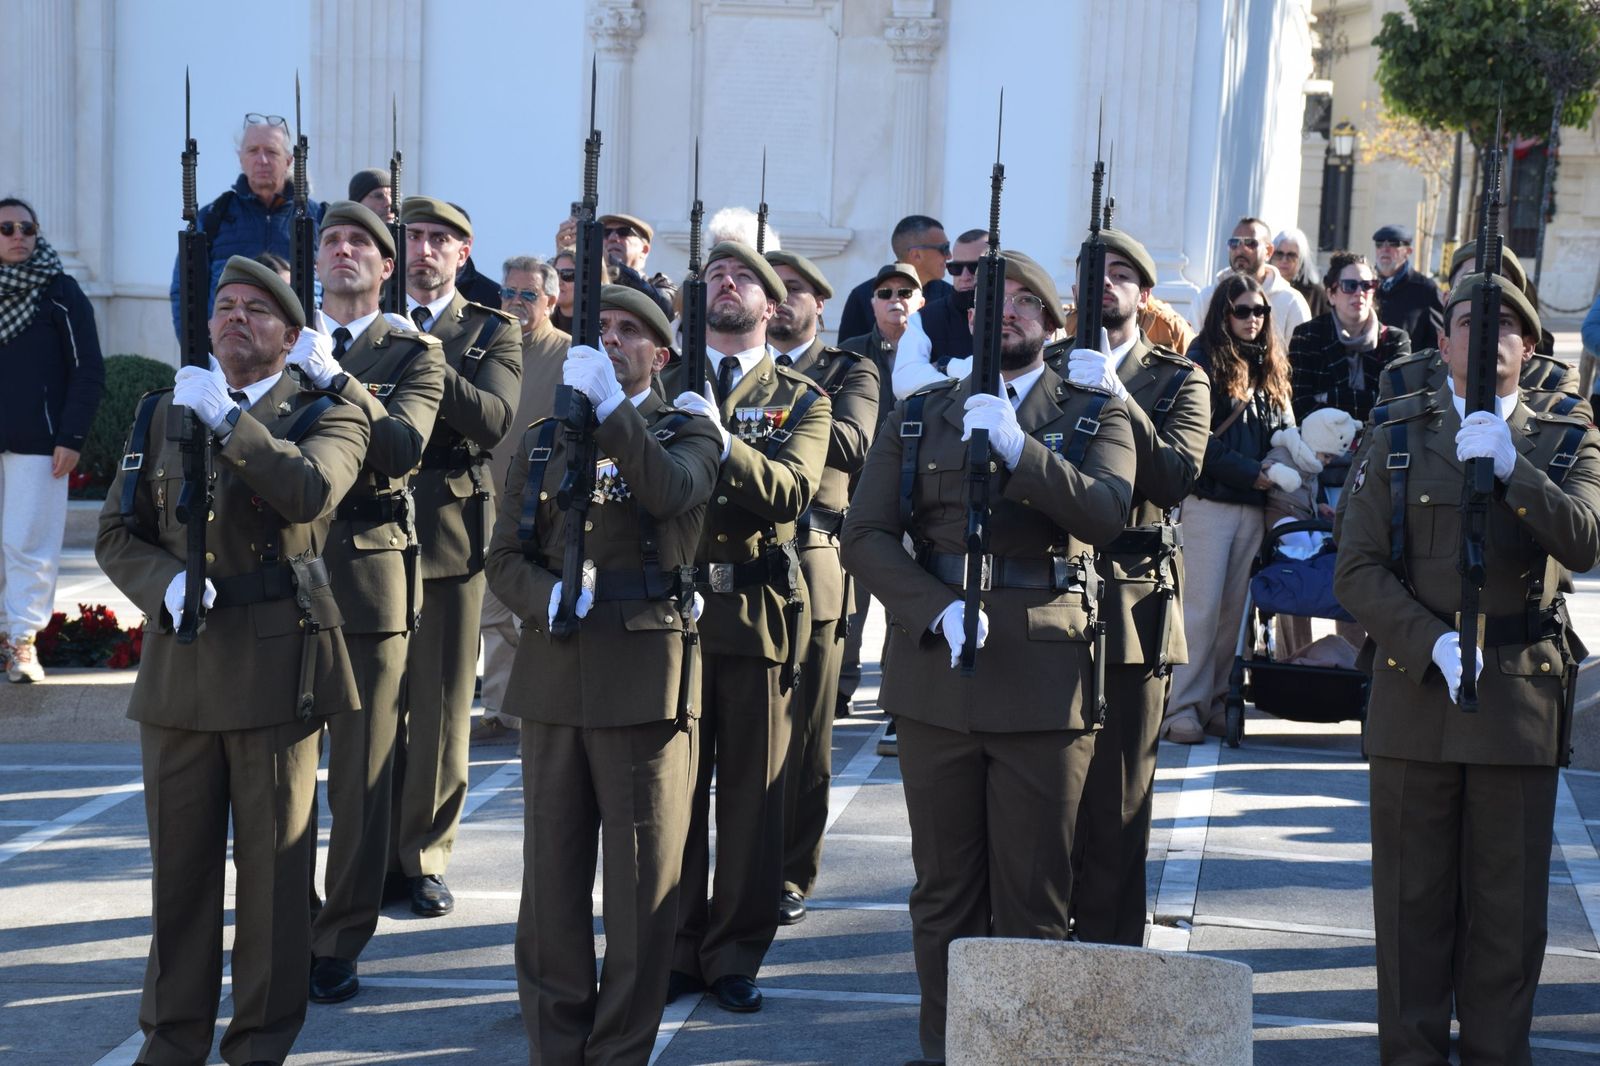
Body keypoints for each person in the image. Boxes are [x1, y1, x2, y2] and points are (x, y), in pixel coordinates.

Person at [841, 249, 1135, 1065]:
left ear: (1051, 320)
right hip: (937, 672)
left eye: (1024, 303)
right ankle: (948, 1051)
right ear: (966, 319)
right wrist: (932, 608)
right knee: (943, 892)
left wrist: (1019, 450)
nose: (1002, 313)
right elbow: (863, 534)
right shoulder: (919, 412)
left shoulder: (1092, 408)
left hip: (1044, 679)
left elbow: (1109, 513)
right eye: (987, 302)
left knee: (1034, 896)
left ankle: (1023, 1056)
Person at [96, 255, 369, 1065]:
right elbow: (119, 532)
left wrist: (229, 425)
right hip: (180, 675)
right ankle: (171, 1040)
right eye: (225, 305)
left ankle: (258, 1045)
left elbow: (311, 494)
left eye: (257, 308)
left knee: (274, 884)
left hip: (274, 669)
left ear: (291, 334)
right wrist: (164, 583)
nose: (235, 318)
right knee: (178, 882)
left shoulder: (326, 411)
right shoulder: (159, 409)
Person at [1334, 274, 1599, 1065]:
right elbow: (1356, 569)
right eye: (1465, 324)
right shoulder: (1400, 432)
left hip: (1517, 704)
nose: (1485, 338)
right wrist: (1432, 643)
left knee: (1505, 921)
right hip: (1416, 697)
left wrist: (1516, 469)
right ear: (1441, 343)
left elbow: (1585, 541)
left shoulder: (1566, 431)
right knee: (1411, 916)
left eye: (1506, 324)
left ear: (1531, 343)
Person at [485, 284, 722, 1066]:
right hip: (555, 673)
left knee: (638, 889)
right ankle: (556, 1047)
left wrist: (613, 412)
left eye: (632, 332)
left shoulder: (688, 428)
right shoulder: (549, 436)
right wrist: (544, 593)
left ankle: (620, 1050)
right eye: (604, 330)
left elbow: (670, 493)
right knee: (550, 887)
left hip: (644, 678)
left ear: (661, 352)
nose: (614, 342)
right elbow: (504, 556)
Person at [661, 241, 832, 1014]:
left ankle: (735, 951)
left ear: (774, 305)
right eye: (715, 278)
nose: (728, 287)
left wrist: (720, 441)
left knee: (752, 799)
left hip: (756, 614)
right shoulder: (660, 385)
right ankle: (675, 946)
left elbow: (792, 491)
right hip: (666, 611)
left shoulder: (801, 397)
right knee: (674, 793)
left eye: (746, 280)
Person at [291, 201, 445, 1005]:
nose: (345, 251)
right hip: (283, 571)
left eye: (362, 243)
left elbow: (402, 448)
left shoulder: (414, 351)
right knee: (275, 765)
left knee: (360, 770)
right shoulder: (282, 333)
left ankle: (339, 934)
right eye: (332, 241)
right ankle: (291, 917)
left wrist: (336, 380)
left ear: (388, 267)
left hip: (368, 570)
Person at [1053, 230, 1211, 946]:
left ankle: (1110, 955)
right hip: (1048, 600)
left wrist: (1117, 395)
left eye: (1122, 275)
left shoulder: (1180, 379)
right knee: (1043, 793)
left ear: (1146, 298)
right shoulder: (1045, 369)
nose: (1105, 286)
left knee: (1118, 799)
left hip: (1131, 602)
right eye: (1094, 275)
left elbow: (1176, 477)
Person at [393, 196, 522, 918]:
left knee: (441, 706)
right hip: (363, 529)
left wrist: (423, 360)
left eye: (441, 239)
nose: (425, 250)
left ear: (463, 253)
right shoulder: (361, 326)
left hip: (446, 527)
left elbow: (495, 418)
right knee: (371, 710)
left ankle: (424, 856)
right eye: (414, 237)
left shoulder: (488, 331)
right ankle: (369, 853)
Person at [765, 249, 880, 927]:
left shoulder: (847, 369)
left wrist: (765, 407)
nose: (780, 300)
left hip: (812, 556)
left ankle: (789, 871)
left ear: (821, 304)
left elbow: (853, 440)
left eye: (795, 289)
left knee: (805, 735)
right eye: (769, 288)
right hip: (730, 558)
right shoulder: (722, 366)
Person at [1162, 272, 1295, 743]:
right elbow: (1197, 443)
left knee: (1232, 616)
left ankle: (1218, 702)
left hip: (1253, 508)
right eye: (1243, 310)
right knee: (1197, 613)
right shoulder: (1201, 360)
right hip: (1208, 503)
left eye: (1260, 311)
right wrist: (1252, 473)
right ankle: (1182, 709)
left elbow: (1280, 434)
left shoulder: (1271, 367)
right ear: (1224, 313)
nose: (1254, 319)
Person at [0, 197, 104, 683]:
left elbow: (88, 371)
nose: (18, 236)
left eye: (27, 228)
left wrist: (72, 435)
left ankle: (21, 642)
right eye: (7, 228)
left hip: (39, 442)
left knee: (29, 545)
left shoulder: (60, 292)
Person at [474, 255, 571, 745]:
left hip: (537, 503)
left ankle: (526, 705)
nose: (513, 303)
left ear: (552, 301)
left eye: (527, 295)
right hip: (482, 498)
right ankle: (498, 709)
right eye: (508, 293)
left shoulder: (568, 355)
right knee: (491, 615)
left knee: (521, 611)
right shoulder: (488, 347)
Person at [168, 112, 325, 339]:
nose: (262, 160)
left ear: (289, 160)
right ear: (240, 158)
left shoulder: (317, 218)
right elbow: (184, 291)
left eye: (271, 151)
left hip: (301, 351)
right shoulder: (213, 218)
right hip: (230, 355)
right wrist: (200, 354)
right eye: (253, 151)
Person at [1289, 251, 1411, 425]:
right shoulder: (1307, 335)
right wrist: (1367, 402)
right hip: (1321, 443)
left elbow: (1396, 406)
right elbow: (1301, 406)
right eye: (1350, 285)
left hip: (1377, 443)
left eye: (1367, 285)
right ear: (1331, 294)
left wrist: (1329, 396)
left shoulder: (1395, 339)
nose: (1359, 292)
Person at [835, 215, 955, 341]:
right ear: (916, 255)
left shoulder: (949, 296)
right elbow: (846, 357)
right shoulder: (862, 296)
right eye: (944, 249)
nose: (949, 256)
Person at [1193, 217, 1311, 345]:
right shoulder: (1207, 297)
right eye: (1234, 243)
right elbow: (1191, 353)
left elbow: (1301, 358)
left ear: (1269, 251)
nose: (1240, 249)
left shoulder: (1291, 301)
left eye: (1250, 243)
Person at [841, 262, 925, 410]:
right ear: (874, 305)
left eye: (904, 292)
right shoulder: (848, 353)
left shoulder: (938, 349)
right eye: (885, 293)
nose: (894, 299)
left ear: (921, 303)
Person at [1372, 223, 1443, 353]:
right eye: (1379, 244)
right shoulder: (1365, 286)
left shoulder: (1425, 289)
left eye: (1394, 244)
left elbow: (1438, 340)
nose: (1385, 249)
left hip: (1407, 368)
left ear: (1408, 251)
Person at [918, 228, 986, 364]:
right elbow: (905, 377)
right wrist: (950, 367)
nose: (964, 276)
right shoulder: (922, 319)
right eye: (956, 268)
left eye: (975, 267)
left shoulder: (1013, 313)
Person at [1270, 226, 1330, 319]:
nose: (1284, 260)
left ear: (1301, 260)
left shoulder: (1316, 294)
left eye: (1291, 255)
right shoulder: (1260, 286)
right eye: (1279, 254)